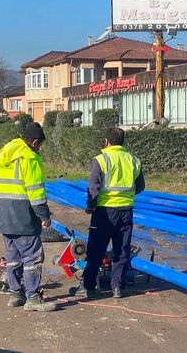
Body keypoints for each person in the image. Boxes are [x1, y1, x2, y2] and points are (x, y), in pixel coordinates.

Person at [73, 127, 144, 299]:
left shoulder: (101, 159)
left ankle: (88, 286)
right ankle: (117, 287)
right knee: (121, 249)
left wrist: (91, 205)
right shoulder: (133, 160)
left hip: (104, 211)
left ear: (107, 141)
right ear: (122, 141)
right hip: (126, 211)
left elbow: (93, 186)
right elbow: (140, 186)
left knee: (96, 249)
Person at [0, 122, 56, 312]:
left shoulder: (7, 154)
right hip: (24, 217)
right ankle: (32, 298)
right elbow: (35, 193)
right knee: (32, 259)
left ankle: (16, 295)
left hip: (5, 216)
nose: (40, 149)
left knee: (13, 258)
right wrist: (44, 216)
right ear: (35, 142)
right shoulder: (29, 159)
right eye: (40, 145)